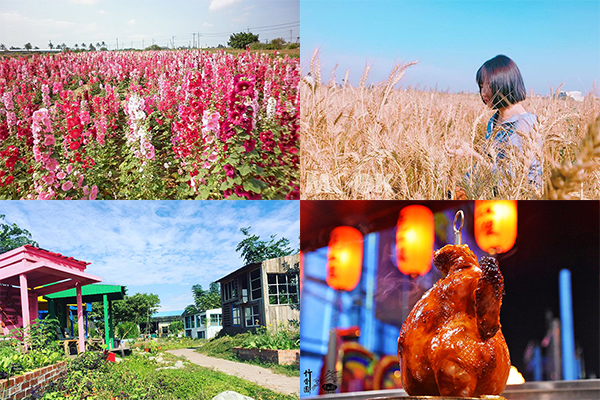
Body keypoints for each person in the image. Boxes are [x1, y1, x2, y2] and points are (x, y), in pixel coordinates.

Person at [476, 54, 542, 188]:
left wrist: (471, 154)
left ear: (505, 83)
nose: (483, 93)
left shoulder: (524, 125)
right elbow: (489, 160)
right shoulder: (494, 119)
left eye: (488, 85)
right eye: (481, 86)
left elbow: (507, 180)